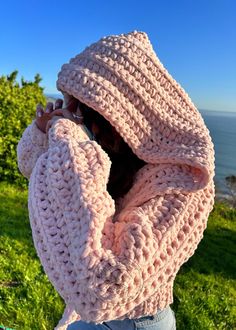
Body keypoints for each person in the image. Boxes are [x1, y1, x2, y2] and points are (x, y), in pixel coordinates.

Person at [16, 30, 215, 330]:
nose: (69, 114)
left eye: (77, 106)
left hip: (135, 322)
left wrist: (71, 143)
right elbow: (30, 166)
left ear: (115, 116)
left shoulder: (184, 184)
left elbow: (103, 288)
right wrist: (44, 131)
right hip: (91, 318)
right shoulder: (119, 158)